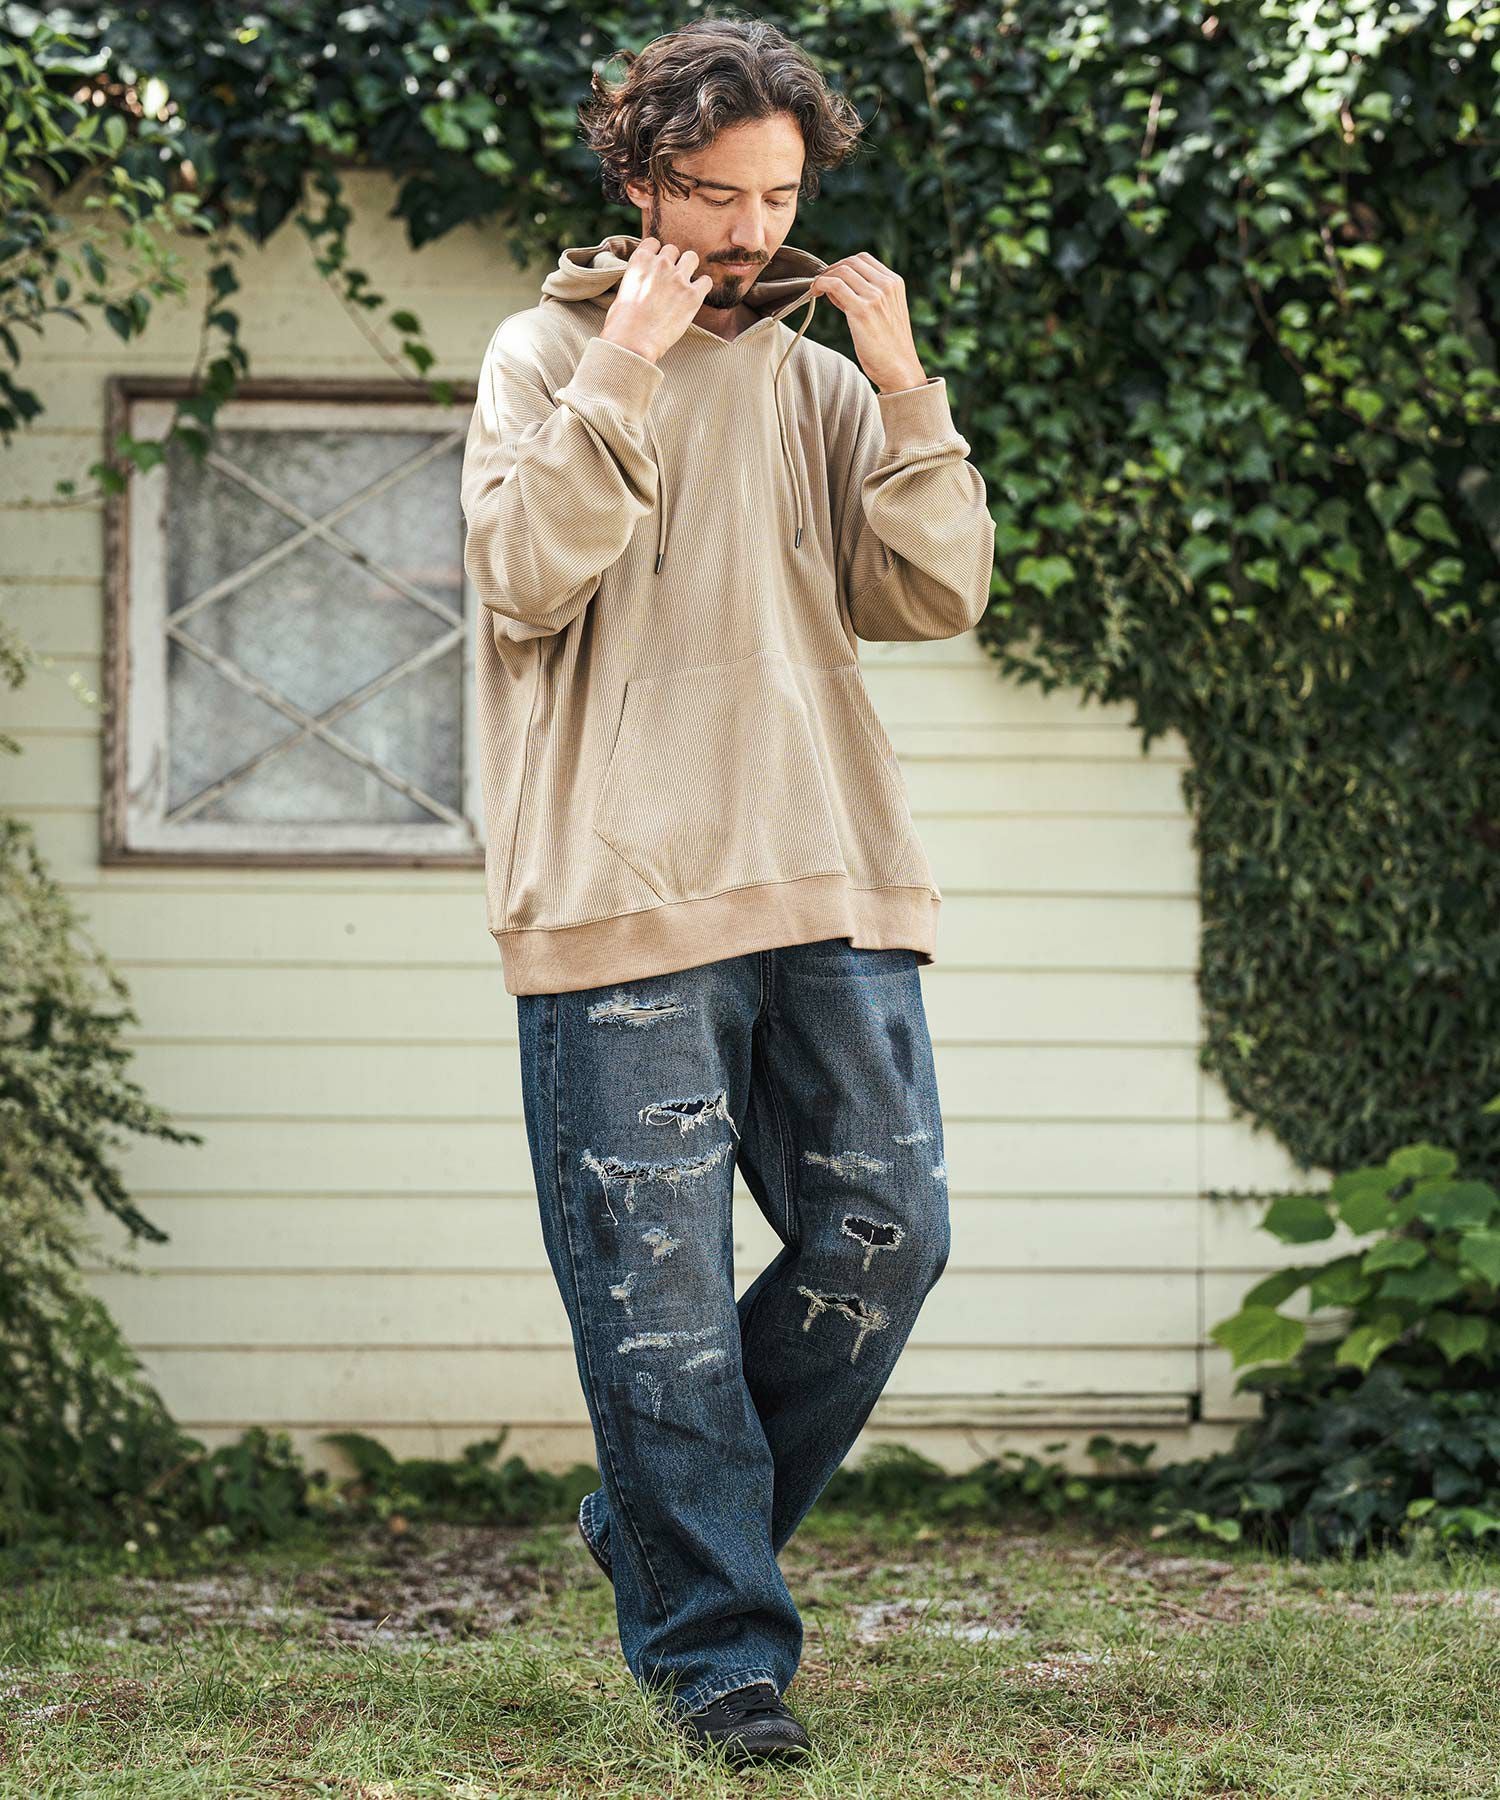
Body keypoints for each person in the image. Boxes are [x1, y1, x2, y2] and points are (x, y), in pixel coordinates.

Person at [459, 16, 994, 1766]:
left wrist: (903, 388)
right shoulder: (540, 356)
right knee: (661, 1308)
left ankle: (656, 1526)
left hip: (829, 874)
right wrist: (623, 360)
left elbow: (933, 597)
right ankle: (718, 1655)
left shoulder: (820, 384)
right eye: (716, 194)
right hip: (620, 892)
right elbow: (526, 576)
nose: (755, 232)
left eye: (781, 197)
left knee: (886, 1239)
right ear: (639, 178)